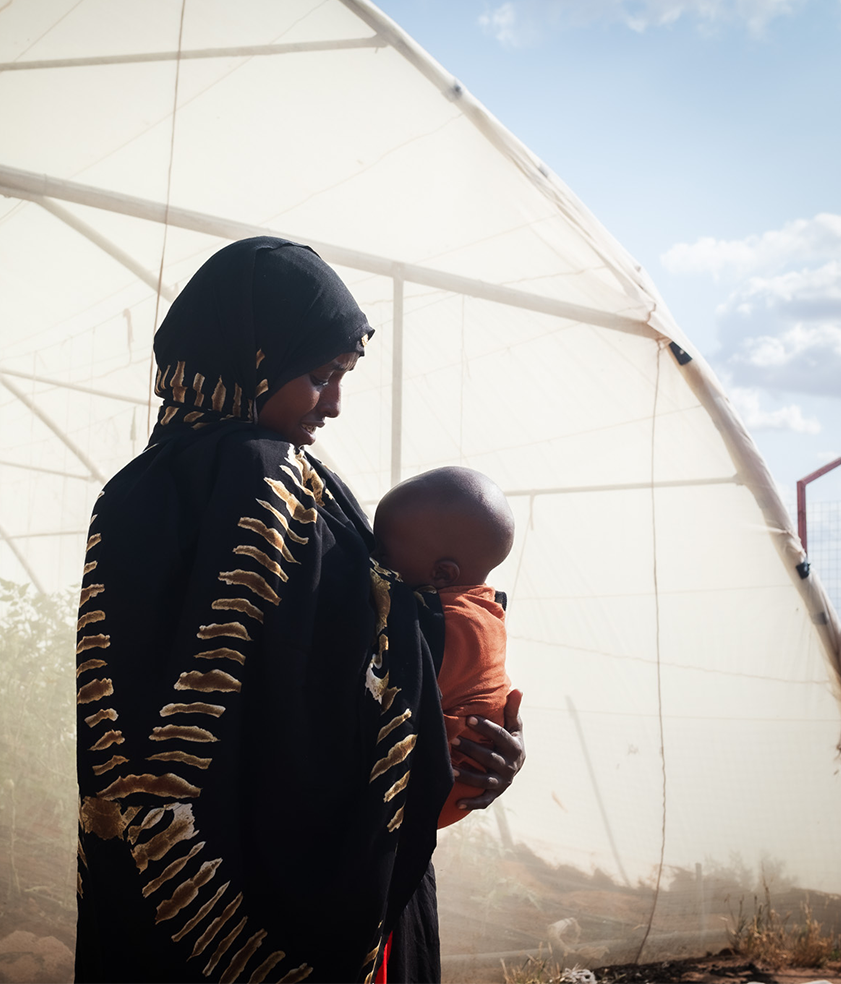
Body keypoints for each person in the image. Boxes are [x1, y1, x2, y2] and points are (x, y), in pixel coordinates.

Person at [74, 238, 524, 984]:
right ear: (256, 359)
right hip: (292, 902)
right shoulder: (272, 479)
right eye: (320, 377)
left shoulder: (132, 491)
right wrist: (465, 727)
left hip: (162, 887)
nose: (336, 404)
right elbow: (367, 658)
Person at [372, 466, 522, 830]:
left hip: (434, 791)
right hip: (445, 792)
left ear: (442, 574)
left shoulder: (452, 624)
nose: (374, 560)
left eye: (383, 552)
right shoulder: (483, 608)